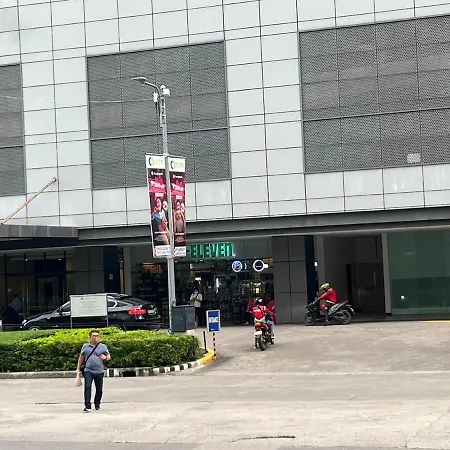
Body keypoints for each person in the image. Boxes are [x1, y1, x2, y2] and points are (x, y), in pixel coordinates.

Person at [76, 329, 111, 413]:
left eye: (97, 336)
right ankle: (87, 405)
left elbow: (109, 357)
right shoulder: (85, 346)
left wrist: (105, 358)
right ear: (90, 337)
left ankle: (97, 403)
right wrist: (78, 368)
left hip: (99, 371)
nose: (95, 337)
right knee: (87, 387)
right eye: (93, 336)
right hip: (88, 370)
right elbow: (81, 357)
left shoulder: (102, 346)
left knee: (99, 389)